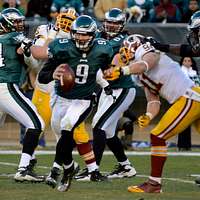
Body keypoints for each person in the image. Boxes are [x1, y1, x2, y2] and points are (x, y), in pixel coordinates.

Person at [103, 34, 200, 193]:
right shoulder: (138, 75)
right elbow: (153, 100)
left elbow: (146, 64)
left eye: (127, 50)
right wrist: (148, 115)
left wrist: (123, 70)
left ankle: (154, 184)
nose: (125, 55)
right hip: (190, 98)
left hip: (189, 97)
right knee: (157, 135)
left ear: (136, 46)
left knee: (158, 136)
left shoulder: (148, 50)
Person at [30, 15, 113, 192]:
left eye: (85, 35)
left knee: (68, 127)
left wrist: (108, 79)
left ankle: (55, 170)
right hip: (61, 99)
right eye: (78, 34)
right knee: (61, 136)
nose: (81, 38)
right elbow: (43, 76)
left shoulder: (103, 49)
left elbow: (105, 67)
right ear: (72, 33)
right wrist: (53, 74)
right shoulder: (62, 48)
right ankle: (69, 168)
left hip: (83, 99)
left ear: (93, 35)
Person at [75, 8, 137, 181]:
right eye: (108, 21)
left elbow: (113, 59)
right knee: (108, 132)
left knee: (98, 126)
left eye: (115, 23)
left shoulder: (123, 40)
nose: (110, 25)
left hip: (122, 88)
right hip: (107, 89)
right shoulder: (100, 37)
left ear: (121, 25)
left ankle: (92, 170)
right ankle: (126, 167)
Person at [0, 8, 45, 182]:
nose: (20, 25)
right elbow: (34, 65)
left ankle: (30, 161)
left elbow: (28, 61)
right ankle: (24, 169)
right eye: (17, 22)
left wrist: (25, 54)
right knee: (36, 124)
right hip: (6, 87)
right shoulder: (14, 37)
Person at [177, 56, 198, 151]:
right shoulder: (180, 72)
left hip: (195, 99)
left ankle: (188, 145)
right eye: (185, 60)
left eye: (189, 60)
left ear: (192, 62)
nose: (186, 62)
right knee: (182, 123)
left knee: (190, 123)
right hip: (183, 98)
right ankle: (181, 145)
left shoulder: (194, 73)